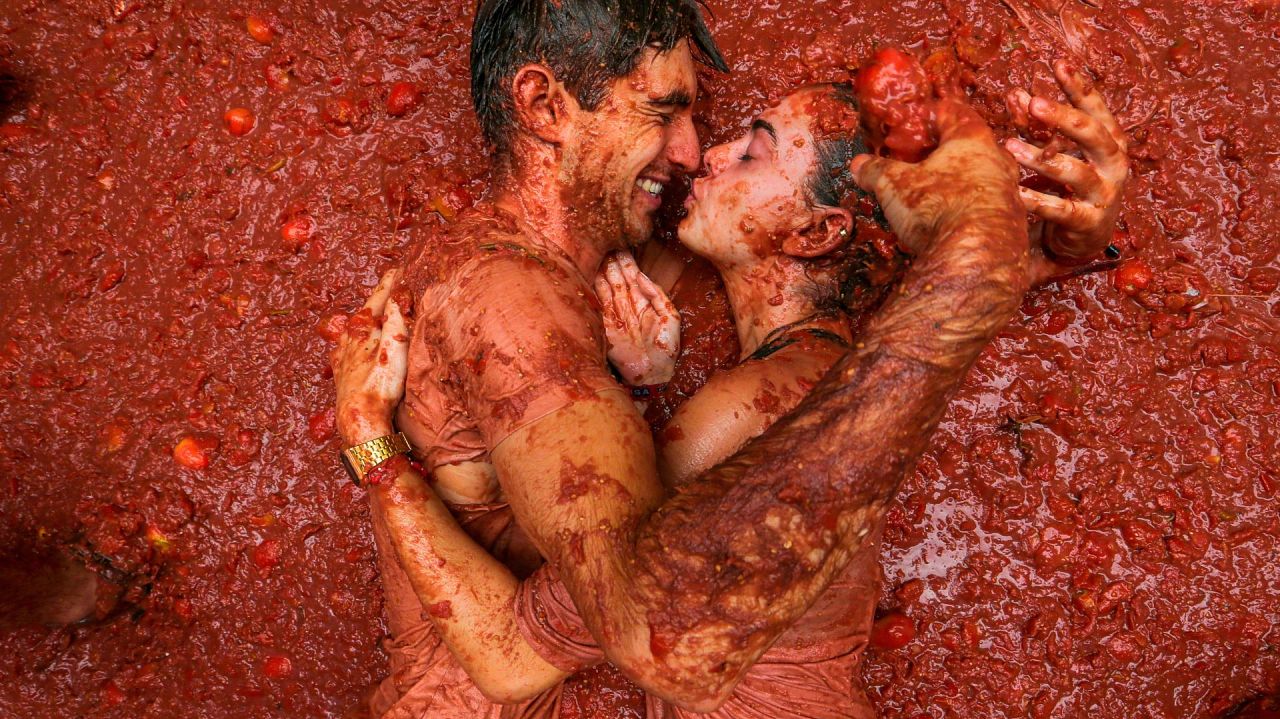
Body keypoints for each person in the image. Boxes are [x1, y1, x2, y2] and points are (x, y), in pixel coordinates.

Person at [329, 0, 1129, 715]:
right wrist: (992, 261)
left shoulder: (705, 329)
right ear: (544, 105)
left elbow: (537, 637)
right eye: (665, 110)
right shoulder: (516, 304)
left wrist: (1041, 250)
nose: (692, 152)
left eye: (740, 144)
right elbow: (605, 623)